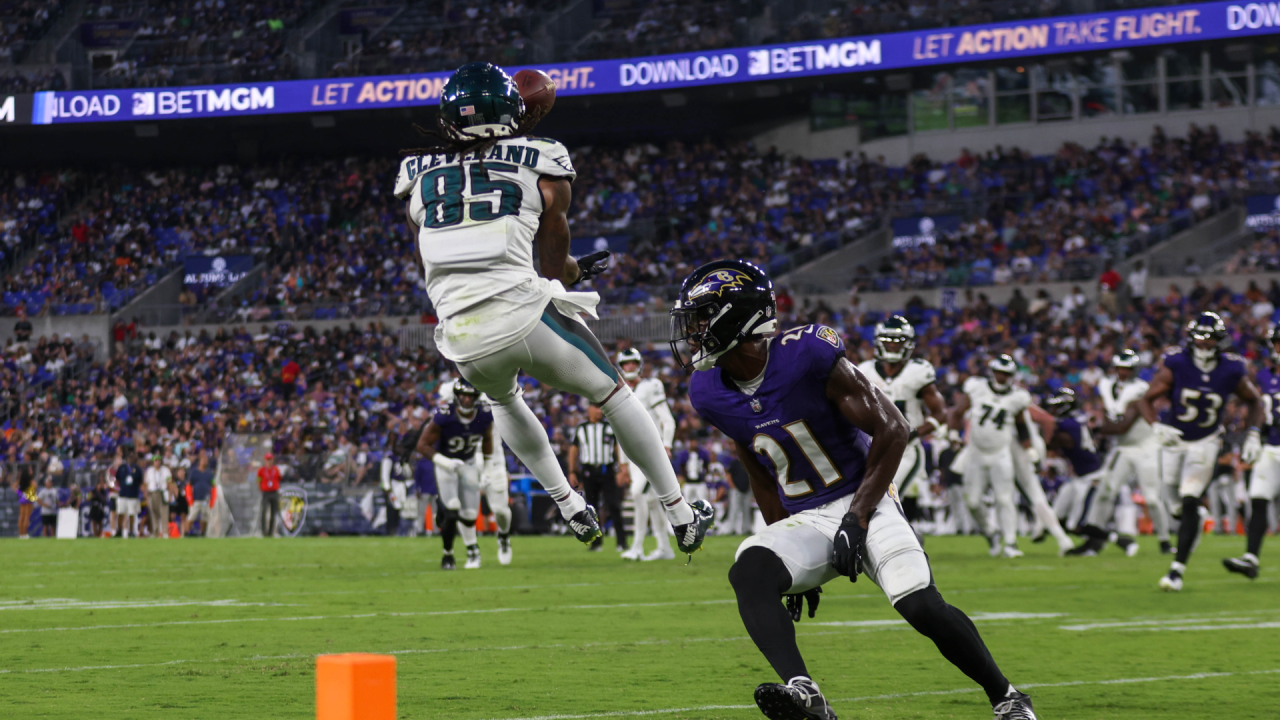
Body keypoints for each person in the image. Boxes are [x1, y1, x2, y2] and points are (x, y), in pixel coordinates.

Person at [673, 260, 1037, 720]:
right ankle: (806, 693)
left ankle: (1006, 696)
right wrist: (786, 549)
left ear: (737, 317)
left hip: (867, 495)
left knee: (920, 603)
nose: (693, 330)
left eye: (703, 317)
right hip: (807, 517)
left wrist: (859, 515)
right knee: (751, 570)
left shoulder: (805, 354)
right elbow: (761, 473)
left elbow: (895, 429)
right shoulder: (707, 390)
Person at [400, 61, 710, 554]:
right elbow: (550, 266)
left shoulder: (415, 176)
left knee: (503, 400)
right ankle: (679, 510)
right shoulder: (542, 157)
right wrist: (575, 272)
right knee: (614, 394)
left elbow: (437, 244)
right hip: (522, 311)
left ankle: (568, 505)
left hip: (458, 331)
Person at [1137, 311, 1263, 592]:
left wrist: (1253, 433)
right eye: (1199, 338)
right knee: (1174, 502)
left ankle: (1176, 570)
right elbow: (1145, 400)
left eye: (1209, 339)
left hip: (1206, 441)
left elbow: (1256, 402)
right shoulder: (1177, 362)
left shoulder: (1231, 368)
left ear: (1219, 341)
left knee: (1190, 497)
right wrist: (1156, 425)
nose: (1204, 344)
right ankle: (1192, 520)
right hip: (1174, 439)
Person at [855, 315, 948, 527]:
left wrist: (913, 432)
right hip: (871, 449)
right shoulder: (865, 370)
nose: (892, 346)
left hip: (905, 451)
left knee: (883, 500)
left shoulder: (918, 371)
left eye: (897, 342)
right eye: (888, 341)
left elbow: (940, 413)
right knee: (867, 502)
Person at [949, 355, 1034, 558]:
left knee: (1005, 499)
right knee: (973, 502)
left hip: (1000, 453)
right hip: (976, 453)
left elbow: (1022, 426)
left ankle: (1011, 543)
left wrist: (1030, 448)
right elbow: (957, 412)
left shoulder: (1017, 397)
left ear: (1011, 376)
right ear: (992, 372)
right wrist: (953, 433)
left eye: (1005, 374)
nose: (1001, 377)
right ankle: (990, 532)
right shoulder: (976, 388)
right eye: (999, 372)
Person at [1092, 350, 1173, 554]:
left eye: (1127, 369)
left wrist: (1095, 428)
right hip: (1123, 447)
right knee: (1105, 492)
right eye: (1119, 368)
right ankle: (1095, 536)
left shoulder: (1140, 390)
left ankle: (1164, 540)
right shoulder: (1106, 386)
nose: (1122, 372)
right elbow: (1109, 415)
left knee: (1152, 497)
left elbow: (1122, 425)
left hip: (1146, 446)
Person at [1042, 389, 1137, 556]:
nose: (1053, 411)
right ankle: (1091, 545)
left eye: (1056, 407)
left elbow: (1054, 443)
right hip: (1079, 478)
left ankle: (1121, 541)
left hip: (1091, 478)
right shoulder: (1076, 422)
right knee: (1058, 519)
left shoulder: (1067, 425)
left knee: (1077, 524)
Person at [417, 378, 500, 569]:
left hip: (469, 463)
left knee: (470, 514)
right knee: (453, 509)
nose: (466, 399)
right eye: (463, 395)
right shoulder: (444, 415)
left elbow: (487, 440)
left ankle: (472, 550)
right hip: (446, 464)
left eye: (470, 395)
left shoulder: (483, 415)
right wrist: (444, 461)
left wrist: (487, 467)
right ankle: (448, 554)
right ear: (456, 395)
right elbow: (422, 445)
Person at [1225, 322, 1280, 579]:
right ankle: (1250, 558)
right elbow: (1256, 407)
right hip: (1271, 446)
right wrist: (1254, 434)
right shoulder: (1265, 376)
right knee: (1258, 499)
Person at [615, 348, 677, 561]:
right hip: (632, 456)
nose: (630, 367)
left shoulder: (652, 386)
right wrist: (622, 464)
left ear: (639, 364)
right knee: (650, 499)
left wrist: (666, 445)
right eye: (626, 364)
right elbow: (620, 431)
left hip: (652, 452)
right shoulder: (618, 390)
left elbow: (667, 420)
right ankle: (664, 548)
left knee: (638, 494)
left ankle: (637, 546)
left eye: (633, 363)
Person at [569, 404, 627, 553]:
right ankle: (596, 543)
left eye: (600, 408)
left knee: (614, 505)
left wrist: (622, 469)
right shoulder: (582, 429)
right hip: (589, 471)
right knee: (591, 507)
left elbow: (617, 448)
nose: (599, 411)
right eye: (595, 408)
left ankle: (622, 542)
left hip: (607, 470)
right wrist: (572, 471)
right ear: (589, 409)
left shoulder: (609, 427)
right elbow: (574, 450)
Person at [723, 442, 754, 536]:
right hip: (736, 489)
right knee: (734, 510)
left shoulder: (748, 463)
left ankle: (747, 529)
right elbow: (728, 476)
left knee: (747, 510)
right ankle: (731, 529)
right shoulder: (734, 463)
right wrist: (733, 487)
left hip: (747, 489)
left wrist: (750, 487)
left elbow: (752, 475)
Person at [675, 437, 712, 506]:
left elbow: (707, 465)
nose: (694, 444)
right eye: (692, 441)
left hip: (700, 482)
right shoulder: (685, 454)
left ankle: (702, 516)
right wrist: (684, 476)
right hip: (688, 482)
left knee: (702, 502)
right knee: (687, 502)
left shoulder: (703, 453)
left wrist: (704, 475)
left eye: (695, 441)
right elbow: (681, 466)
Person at [144, 454, 172, 539]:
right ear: (153, 462)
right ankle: (155, 532)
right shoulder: (149, 471)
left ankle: (164, 532)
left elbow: (169, 483)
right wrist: (146, 497)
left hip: (162, 492)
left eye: (158, 460)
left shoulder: (166, 470)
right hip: (152, 493)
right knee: (153, 513)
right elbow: (146, 484)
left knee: (164, 513)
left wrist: (170, 495)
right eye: (155, 460)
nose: (157, 462)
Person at [185, 454, 214, 537]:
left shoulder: (209, 473)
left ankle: (202, 533)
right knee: (192, 516)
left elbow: (213, 486)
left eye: (206, 460)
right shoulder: (194, 472)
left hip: (205, 498)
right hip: (196, 498)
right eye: (203, 460)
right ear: (199, 462)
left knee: (204, 517)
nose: (205, 461)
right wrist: (189, 498)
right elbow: (189, 485)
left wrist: (212, 498)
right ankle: (186, 531)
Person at [116, 450, 142, 538]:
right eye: (129, 457)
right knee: (120, 513)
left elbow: (140, 481)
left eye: (132, 457)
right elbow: (118, 479)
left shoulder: (137, 469)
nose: (131, 459)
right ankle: (119, 530)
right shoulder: (122, 468)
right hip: (123, 493)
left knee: (131, 514)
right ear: (127, 458)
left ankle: (131, 531)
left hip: (133, 494)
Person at [258, 452, 282, 537]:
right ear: (265, 460)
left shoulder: (276, 469)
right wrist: (261, 488)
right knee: (264, 511)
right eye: (267, 460)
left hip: (274, 492)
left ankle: (270, 533)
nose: (269, 461)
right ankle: (264, 532)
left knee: (273, 512)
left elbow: (279, 478)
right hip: (265, 493)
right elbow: (259, 480)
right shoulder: (261, 470)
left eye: (270, 459)